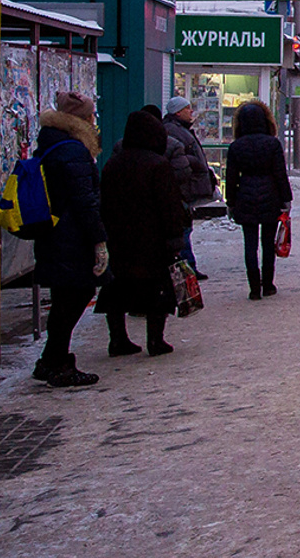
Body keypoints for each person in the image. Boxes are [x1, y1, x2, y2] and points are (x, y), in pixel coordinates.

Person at [96, 110, 189, 357]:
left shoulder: (113, 163)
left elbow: (103, 201)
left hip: (118, 237)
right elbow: (169, 205)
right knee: (157, 288)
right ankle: (155, 340)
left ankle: (117, 339)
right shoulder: (158, 165)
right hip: (152, 239)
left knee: (116, 288)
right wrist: (174, 238)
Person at [31, 91, 107, 387]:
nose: (94, 119)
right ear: (81, 119)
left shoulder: (50, 143)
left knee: (67, 296)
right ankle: (57, 361)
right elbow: (84, 201)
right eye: (90, 114)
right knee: (75, 293)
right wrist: (98, 239)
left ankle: (51, 359)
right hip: (70, 235)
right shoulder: (72, 151)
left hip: (54, 232)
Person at [227, 99, 292, 300]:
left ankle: (254, 287)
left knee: (250, 245)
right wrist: (286, 200)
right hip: (270, 197)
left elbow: (231, 178)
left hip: (245, 197)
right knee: (267, 244)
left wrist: (231, 202)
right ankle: (268, 284)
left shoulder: (236, 146)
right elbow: (280, 174)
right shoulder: (272, 144)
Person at [163, 95, 217, 280]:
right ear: (178, 112)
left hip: (187, 186)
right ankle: (186, 268)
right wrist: (194, 163)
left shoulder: (180, 129)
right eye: (187, 109)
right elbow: (178, 158)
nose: (191, 112)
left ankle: (188, 265)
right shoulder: (173, 131)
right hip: (182, 188)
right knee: (183, 228)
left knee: (186, 227)